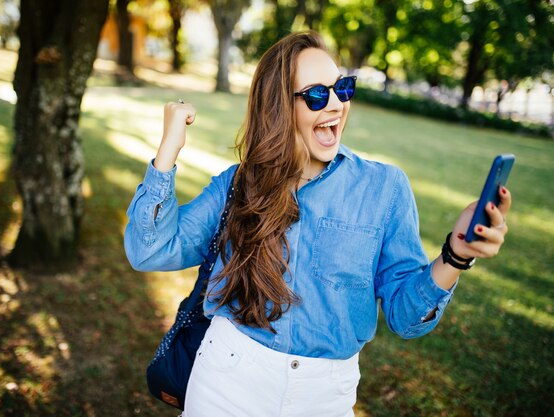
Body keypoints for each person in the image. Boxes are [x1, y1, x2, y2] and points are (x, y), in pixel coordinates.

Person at [124, 31, 511, 417]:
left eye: (342, 88)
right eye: (315, 95)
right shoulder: (239, 184)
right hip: (227, 380)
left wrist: (456, 255)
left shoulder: (384, 188)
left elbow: (407, 318)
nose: (336, 105)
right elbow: (150, 250)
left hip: (326, 397)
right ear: (279, 107)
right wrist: (167, 152)